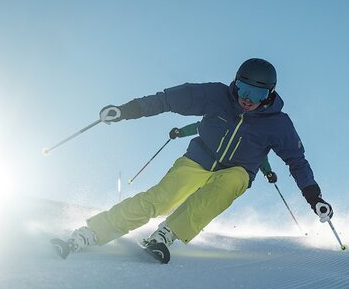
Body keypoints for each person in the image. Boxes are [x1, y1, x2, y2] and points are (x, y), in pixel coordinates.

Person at [55, 58, 333, 263]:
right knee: (161, 198)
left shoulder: (278, 125)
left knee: (229, 184)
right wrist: (126, 110)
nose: (248, 99)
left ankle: (166, 234)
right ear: (235, 83)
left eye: (257, 94)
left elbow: (297, 161)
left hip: (236, 170)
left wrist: (314, 197)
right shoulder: (215, 96)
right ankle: (92, 233)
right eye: (244, 89)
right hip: (199, 160)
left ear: (270, 94)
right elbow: (168, 100)